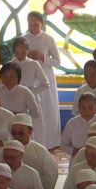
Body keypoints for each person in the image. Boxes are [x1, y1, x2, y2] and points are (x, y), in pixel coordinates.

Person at [23, 11, 63, 149]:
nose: (32, 28)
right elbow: (15, 58)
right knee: (32, 109)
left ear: (42, 24)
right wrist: (27, 55)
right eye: (30, 25)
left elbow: (58, 62)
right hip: (29, 78)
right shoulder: (23, 39)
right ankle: (33, 140)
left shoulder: (48, 39)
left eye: (36, 25)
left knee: (47, 108)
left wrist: (42, 57)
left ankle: (50, 141)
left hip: (46, 78)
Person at [11, 113, 59, 189]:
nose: (17, 136)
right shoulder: (6, 150)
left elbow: (51, 176)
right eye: (14, 133)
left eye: (21, 133)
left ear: (30, 131)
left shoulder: (41, 151)